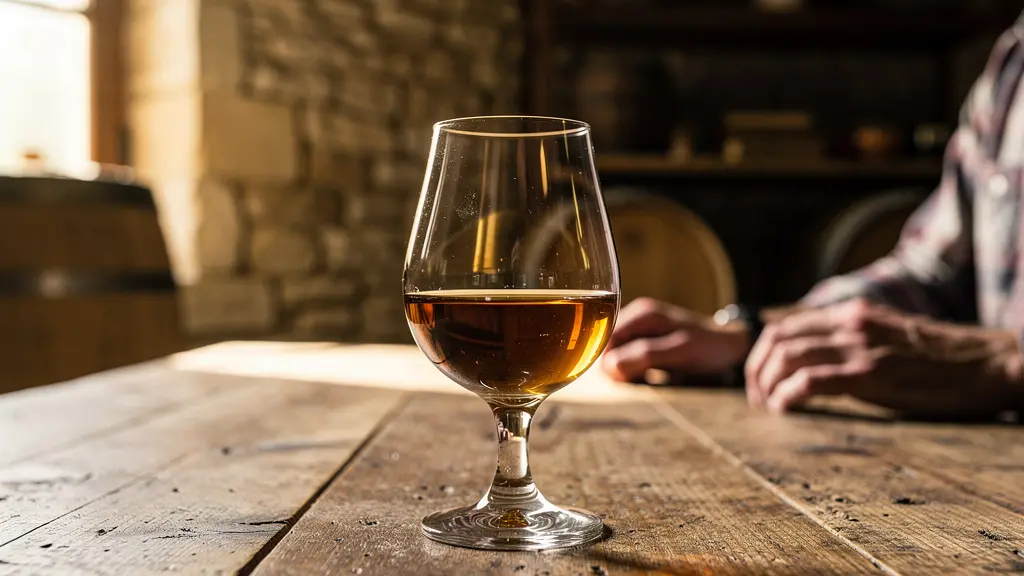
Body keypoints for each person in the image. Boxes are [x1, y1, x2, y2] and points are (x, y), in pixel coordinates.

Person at [601, 17, 1024, 419]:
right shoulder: (1014, 62)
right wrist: (753, 334)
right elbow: (930, 274)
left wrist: (1006, 361)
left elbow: (990, 355)